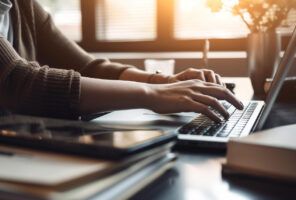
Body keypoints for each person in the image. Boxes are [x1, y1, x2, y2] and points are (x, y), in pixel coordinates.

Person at [0, 0, 243, 123]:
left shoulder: (23, 5)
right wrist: (152, 94)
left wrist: (165, 82)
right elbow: (19, 82)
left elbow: (86, 68)